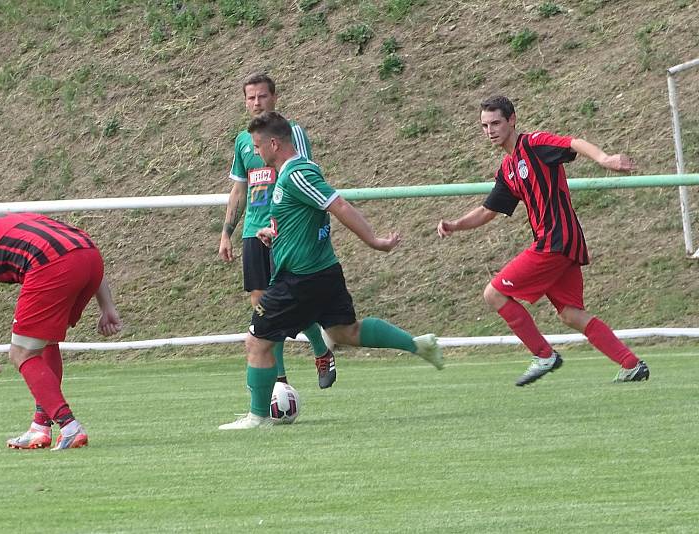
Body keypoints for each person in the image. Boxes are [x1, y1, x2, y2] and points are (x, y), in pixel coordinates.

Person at [219, 111, 443, 430]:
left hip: (300, 278)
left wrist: (375, 241)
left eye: (257, 146)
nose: (255, 153)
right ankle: (418, 345)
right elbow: (307, 218)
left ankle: (258, 418)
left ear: (273, 143)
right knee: (345, 332)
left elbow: (338, 206)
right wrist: (274, 233)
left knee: (257, 341)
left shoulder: (297, 173)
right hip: (322, 272)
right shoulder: (290, 174)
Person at [437, 95, 649, 386]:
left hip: (554, 241)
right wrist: (456, 225)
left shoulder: (534, 145)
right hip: (563, 242)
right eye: (485, 126)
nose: (490, 131)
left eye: (496, 123)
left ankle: (544, 355)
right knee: (571, 314)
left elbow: (573, 142)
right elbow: (488, 211)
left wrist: (604, 158)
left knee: (494, 294)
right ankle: (631, 364)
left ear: (512, 120)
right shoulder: (508, 169)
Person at [0, 212, 122, 449]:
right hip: (91, 257)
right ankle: (40, 427)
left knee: (21, 353)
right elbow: (74, 246)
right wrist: (107, 306)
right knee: (45, 342)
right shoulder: (13, 223)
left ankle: (69, 426)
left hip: (54, 264)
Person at [218, 73, 337, 389]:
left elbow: (308, 179)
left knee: (290, 301)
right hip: (253, 232)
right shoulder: (244, 140)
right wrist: (227, 232)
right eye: (250, 98)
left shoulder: (292, 133)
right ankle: (280, 382)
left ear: (274, 98)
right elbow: (239, 188)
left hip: (284, 230)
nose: (256, 103)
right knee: (263, 307)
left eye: (262, 97)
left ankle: (321, 349)